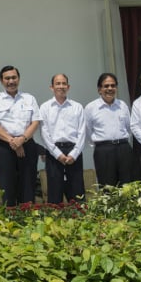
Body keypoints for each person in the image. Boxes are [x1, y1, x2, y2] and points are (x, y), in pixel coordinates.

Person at [0, 66, 41, 206]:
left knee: (28, 187)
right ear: (1, 80)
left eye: (14, 77)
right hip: (4, 147)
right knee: (7, 189)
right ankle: (10, 222)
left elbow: (35, 122)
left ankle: (29, 221)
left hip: (27, 145)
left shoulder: (29, 98)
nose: (11, 81)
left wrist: (21, 139)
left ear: (19, 78)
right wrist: (13, 141)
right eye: (7, 78)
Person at [39, 74, 85, 203]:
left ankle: (80, 220)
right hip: (54, 152)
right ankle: (55, 220)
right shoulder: (45, 107)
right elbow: (44, 133)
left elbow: (82, 133)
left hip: (73, 151)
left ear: (68, 87)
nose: (61, 86)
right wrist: (57, 154)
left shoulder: (77, 107)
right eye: (58, 84)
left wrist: (74, 154)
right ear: (51, 87)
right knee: (54, 192)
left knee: (77, 192)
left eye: (64, 84)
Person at [84, 73, 134, 187]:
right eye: (106, 86)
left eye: (113, 85)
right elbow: (88, 131)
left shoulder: (123, 105)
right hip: (103, 150)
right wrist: (100, 145)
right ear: (99, 89)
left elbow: (128, 127)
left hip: (123, 148)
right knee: (107, 186)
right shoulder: (91, 108)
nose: (110, 89)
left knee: (127, 185)